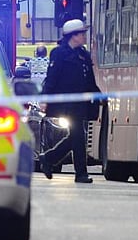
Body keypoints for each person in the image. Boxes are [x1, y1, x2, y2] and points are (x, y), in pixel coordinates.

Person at [39, 19, 101, 184]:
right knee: (78, 136)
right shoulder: (59, 54)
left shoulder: (83, 54)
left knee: (76, 136)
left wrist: (98, 95)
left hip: (81, 103)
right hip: (66, 103)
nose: (84, 37)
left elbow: (89, 80)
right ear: (73, 36)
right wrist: (45, 98)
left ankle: (49, 158)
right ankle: (80, 173)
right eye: (81, 34)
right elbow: (51, 78)